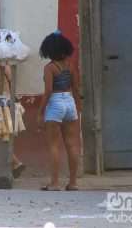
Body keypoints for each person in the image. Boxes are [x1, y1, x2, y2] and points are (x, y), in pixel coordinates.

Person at [37, 31, 81, 191]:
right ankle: (73, 182)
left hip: (55, 103)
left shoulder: (49, 68)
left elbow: (48, 91)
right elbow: (76, 87)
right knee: (72, 144)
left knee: (54, 145)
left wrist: (40, 112)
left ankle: (54, 183)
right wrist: (78, 106)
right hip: (70, 102)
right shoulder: (71, 65)